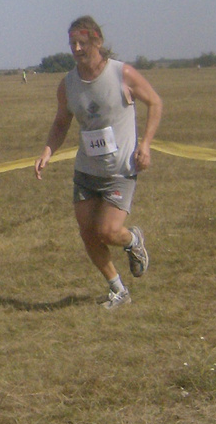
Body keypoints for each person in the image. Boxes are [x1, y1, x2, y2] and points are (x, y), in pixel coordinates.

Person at [34, 16, 163, 309]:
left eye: (82, 43)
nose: (77, 49)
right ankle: (118, 289)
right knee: (88, 233)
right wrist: (47, 151)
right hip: (86, 171)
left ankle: (132, 241)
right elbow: (61, 121)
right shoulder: (68, 84)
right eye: (72, 44)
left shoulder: (123, 74)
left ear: (98, 42)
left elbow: (155, 102)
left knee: (107, 231)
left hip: (120, 171)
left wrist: (146, 145)